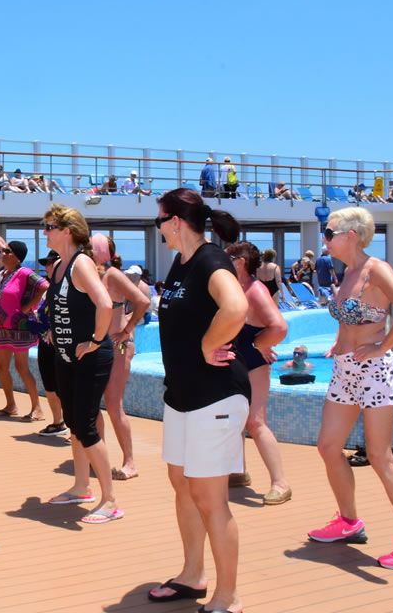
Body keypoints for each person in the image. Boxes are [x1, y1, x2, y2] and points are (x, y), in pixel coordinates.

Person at [308, 206, 393, 570]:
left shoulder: (375, 269)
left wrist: (383, 346)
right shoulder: (347, 272)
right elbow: (350, 318)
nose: (324, 239)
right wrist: (339, 342)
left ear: (351, 235)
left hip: (374, 371)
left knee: (380, 457)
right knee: (328, 446)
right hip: (346, 370)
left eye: (329, 232)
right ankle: (349, 522)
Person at [147, 188, 249, 611]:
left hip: (215, 395)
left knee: (210, 499)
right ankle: (192, 575)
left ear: (174, 222)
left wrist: (209, 343)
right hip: (181, 394)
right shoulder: (181, 262)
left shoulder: (210, 260)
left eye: (159, 221)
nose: (158, 229)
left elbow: (236, 307)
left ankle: (228, 595)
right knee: (183, 486)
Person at [39, 207, 123, 525]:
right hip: (66, 356)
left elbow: (104, 303)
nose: (45, 232)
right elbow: (65, 307)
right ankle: (81, 486)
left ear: (67, 231)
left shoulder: (81, 263)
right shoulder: (59, 266)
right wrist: (54, 331)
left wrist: (96, 340)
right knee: (74, 422)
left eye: (50, 226)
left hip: (90, 357)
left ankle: (110, 500)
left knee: (85, 426)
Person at [225, 242, 292, 504]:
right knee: (236, 417)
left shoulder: (255, 290)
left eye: (228, 257)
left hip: (253, 362)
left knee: (255, 421)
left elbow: (279, 327)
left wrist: (258, 344)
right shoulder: (234, 287)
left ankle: (280, 482)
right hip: (235, 359)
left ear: (241, 262)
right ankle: (238, 471)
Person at [91, 235, 150, 482]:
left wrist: (127, 330)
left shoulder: (113, 275)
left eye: (90, 248)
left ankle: (130, 462)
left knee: (114, 405)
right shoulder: (90, 275)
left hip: (119, 347)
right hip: (97, 347)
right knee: (92, 404)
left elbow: (143, 301)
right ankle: (100, 456)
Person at [0, 240, 47, 421]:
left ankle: (37, 408)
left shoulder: (24, 273)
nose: (3, 254)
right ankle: (10, 405)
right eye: (3, 251)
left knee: (22, 367)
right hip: (0, 326)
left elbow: (45, 285)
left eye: (8, 251)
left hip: (19, 327)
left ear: (18, 257)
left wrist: (28, 307)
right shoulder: (1, 274)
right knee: (1, 366)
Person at [33, 251, 67, 437]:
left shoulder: (68, 286)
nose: (46, 267)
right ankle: (58, 422)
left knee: (64, 384)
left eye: (49, 263)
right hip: (45, 342)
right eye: (46, 263)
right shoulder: (49, 288)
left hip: (62, 342)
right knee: (49, 383)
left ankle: (72, 424)